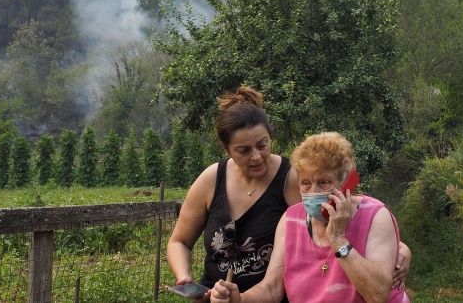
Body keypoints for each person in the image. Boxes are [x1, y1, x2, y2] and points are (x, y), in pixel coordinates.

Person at [167, 88, 410, 302]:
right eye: (243, 150)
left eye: (262, 145)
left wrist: (399, 248)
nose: (256, 156)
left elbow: (347, 212)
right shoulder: (212, 179)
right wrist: (185, 278)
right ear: (226, 149)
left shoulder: (294, 177)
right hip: (223, 296)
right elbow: (179, 240)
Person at [210, 132, 411, 303]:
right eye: (306, 183)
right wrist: (240, 299)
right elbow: (272, 288)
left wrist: (339, 239)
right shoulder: (291, 220)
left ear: (347, 182)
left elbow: (378, 295)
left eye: (324, 182)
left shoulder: (375, 215)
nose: (313, 191)